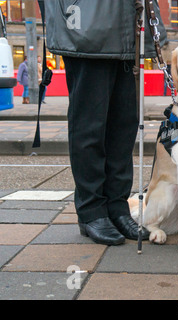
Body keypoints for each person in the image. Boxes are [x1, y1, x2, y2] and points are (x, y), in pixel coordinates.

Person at [44, 0, 167, 245]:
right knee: (90, 127)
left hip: (127, 29)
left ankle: (116, 206)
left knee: (123, 127)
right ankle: (92, 211)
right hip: (85, 23)